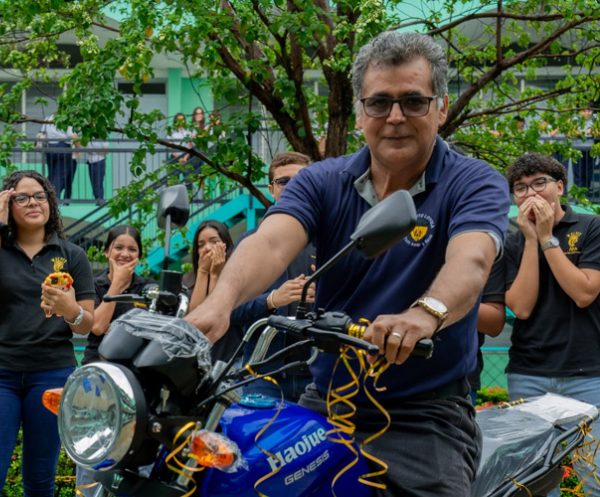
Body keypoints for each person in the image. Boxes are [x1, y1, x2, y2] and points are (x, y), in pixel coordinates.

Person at [186, 31, 509, 497]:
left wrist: (424, 314)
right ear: (360, 113)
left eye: (413, 101)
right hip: (329, 401)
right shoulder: (323, 181)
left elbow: (473, 258)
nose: (395, 117)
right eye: (379, 103)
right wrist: (218, 305)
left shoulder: (473, 182)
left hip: (426, 415)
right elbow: (273, 242)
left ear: (440, 108)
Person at [0, 170, 95, 497]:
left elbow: (86, 324)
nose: (33, 202)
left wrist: (69, 308)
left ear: (50, 202)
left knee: (39, 480)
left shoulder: (71, 255)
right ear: (8, 204)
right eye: (22, 197)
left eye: (40, 195)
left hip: (52, 373)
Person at [504, 152, 600, 496]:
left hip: (588, 373)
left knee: (594, 477)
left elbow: (584, 292)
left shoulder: (591, 227)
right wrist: (532, 239)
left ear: (560, 187)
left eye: (539, 184)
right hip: (529, 373)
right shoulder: (512, 240)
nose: (530, 194)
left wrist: (547, 238)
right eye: (520, 188)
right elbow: (521, 307)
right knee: (535, 482)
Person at [75, 224, 155, 497]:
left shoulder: (148, 288)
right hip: (97, 381)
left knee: (135, 456)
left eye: (132, 249)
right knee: (94, 450)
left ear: (140, 255)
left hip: (136, 382)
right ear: (108, 251)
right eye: (118, 247)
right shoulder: (92, 285)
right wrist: (118, 284)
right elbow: (97, 327)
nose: (124, 253)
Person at [231, 151, 316, 401]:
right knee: (260, 440)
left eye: (301, 180)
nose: (292, 187)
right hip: (263, 372)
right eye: (283, 181)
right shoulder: (250, 243)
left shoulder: (330, 241)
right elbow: (231, 311)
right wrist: (271, 300)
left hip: (317, 372)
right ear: (271, 189)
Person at [184, 220, 243, 364]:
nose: (207, 248)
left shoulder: (236, 274)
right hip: (199, 361)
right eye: (201, 245)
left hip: (231, 359)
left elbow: (216, 312)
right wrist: (203, 271)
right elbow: (195, 317)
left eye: (214, 241)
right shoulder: (188, 280)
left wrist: (215, 275)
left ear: (225, 245)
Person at [468, 258, 506, 404]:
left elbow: (494, 323)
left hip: (457, 382)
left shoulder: (482, 244)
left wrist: (444, 300)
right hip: (396, 376)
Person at [40, 115, 77, 201]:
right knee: (60, 175)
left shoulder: (48, 118)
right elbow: (72, 135)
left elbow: (42, 134)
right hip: (63, 147)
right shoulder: (66, 118)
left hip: (50, 148)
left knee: (52, 175)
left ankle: (49, 197)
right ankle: (55, 199)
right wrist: (78, 149)